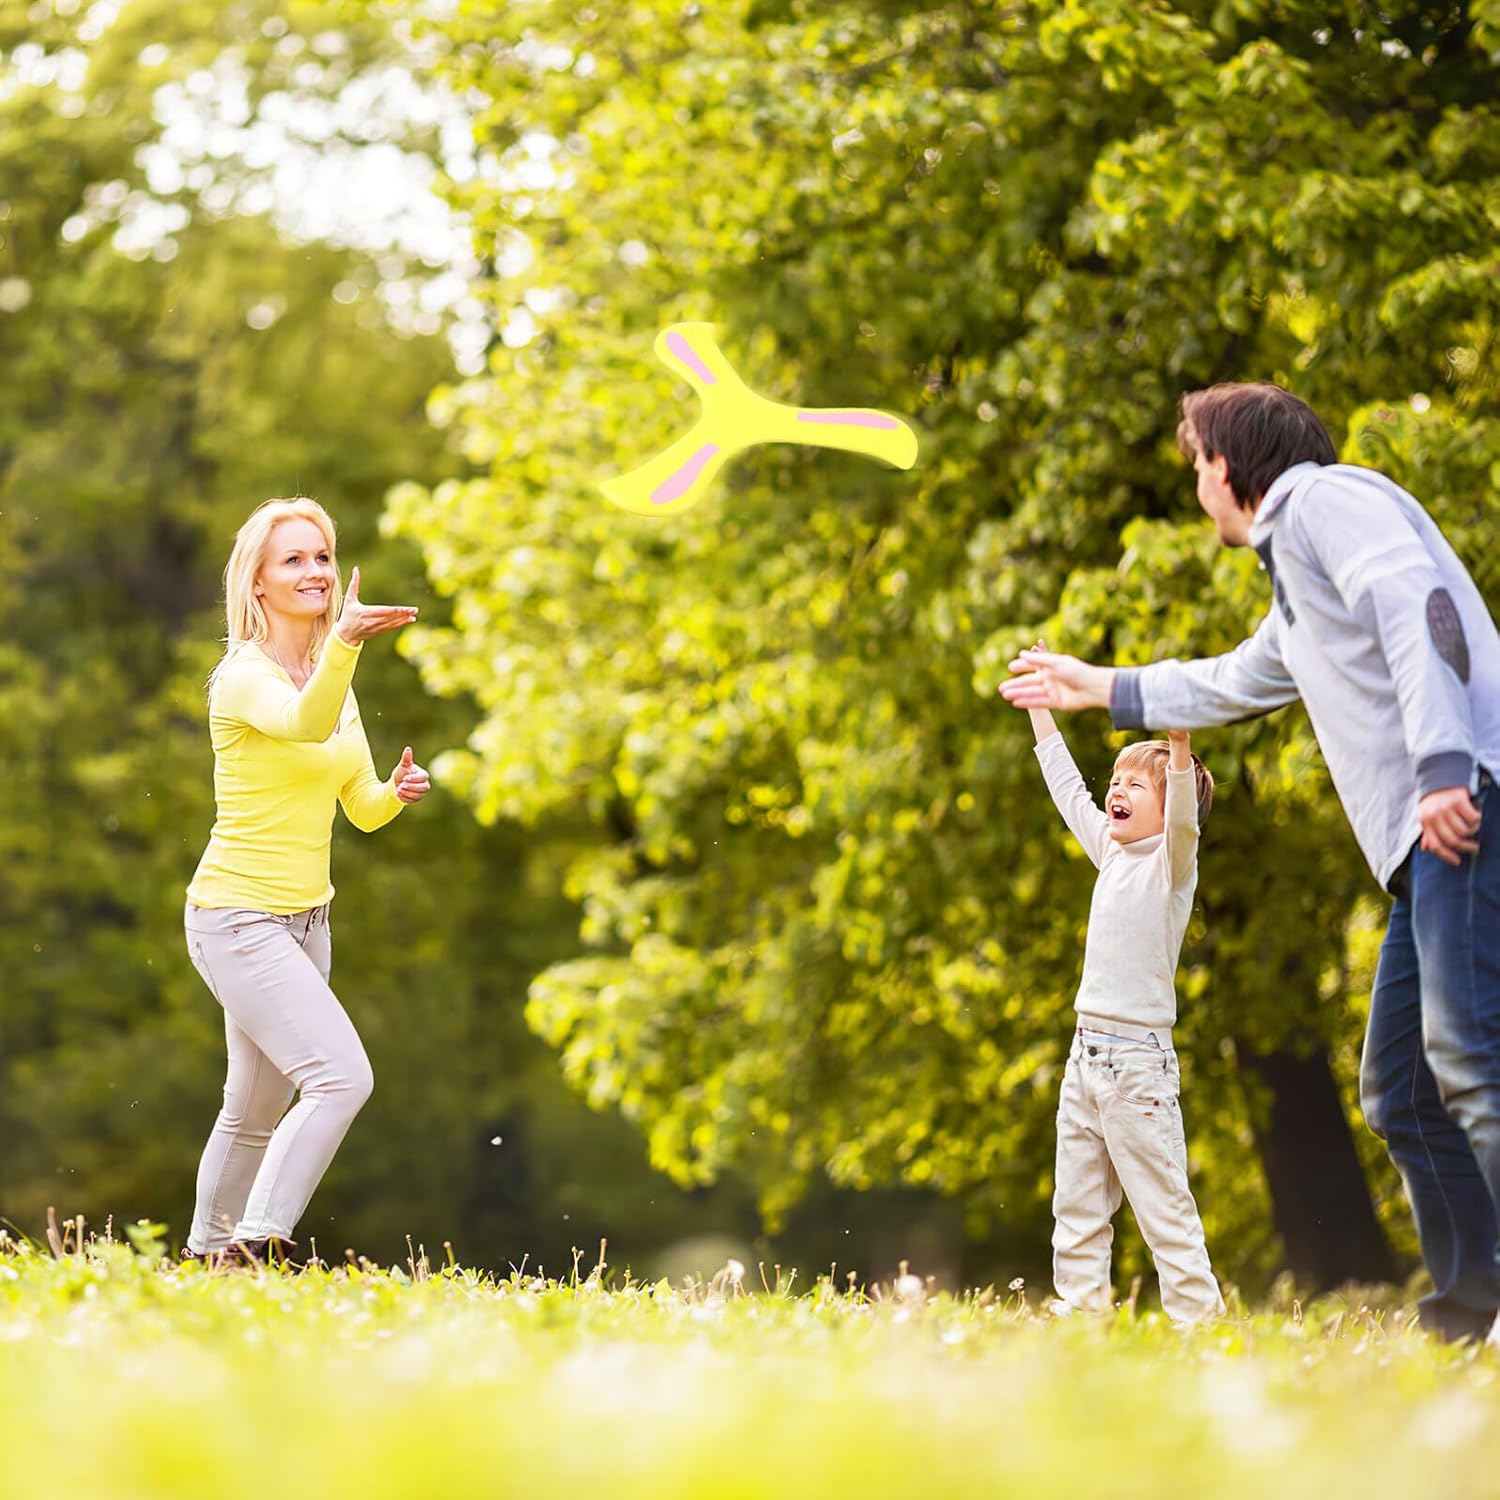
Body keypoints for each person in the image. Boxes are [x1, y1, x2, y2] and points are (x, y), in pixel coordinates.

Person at [1000, 381, 1500, 1343]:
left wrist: (1444, 763)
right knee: (1402, 1089)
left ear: (1226, 466)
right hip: (1418, 851)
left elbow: (1420, 604)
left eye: (1196, 465)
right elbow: (1233, 680)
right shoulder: (1299, 585)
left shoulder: (1324, 501)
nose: (1196, 486)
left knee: (1471, 1062)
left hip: (1463, 804)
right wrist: (1098, 687)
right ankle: (1471, 1319)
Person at [181, 497, 430, 1266]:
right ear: (257, 582)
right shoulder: (242, 678)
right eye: (293, 559)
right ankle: (253, 1246)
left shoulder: (333, 682)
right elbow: (303, 724)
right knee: (340, 1078)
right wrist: (346, 645)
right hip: (236, 918)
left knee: (256, 1110)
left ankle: (203, 1263)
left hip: (306, 924)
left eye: (322, 556)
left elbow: (361, 808)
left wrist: (396, 793)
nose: (315, 571)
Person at [1012, 662, 1221, 1323]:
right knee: (1076, 1203)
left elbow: (1183, 822)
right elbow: (1066, 786)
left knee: (1163, 1208)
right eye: (1116, 780)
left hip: (1137, 1066)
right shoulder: (1109, 850)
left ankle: (1200, 1325)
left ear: (1165, 806)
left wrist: (1179, 748)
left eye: (1136, 784)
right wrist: (1041, 709)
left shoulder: (1170, 867)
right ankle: (1082, 1314)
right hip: (1085, 1058)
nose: (1117, 790)